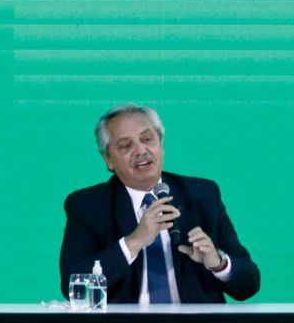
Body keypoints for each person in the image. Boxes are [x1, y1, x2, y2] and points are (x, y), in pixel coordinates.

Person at [59, 104, 260, 304]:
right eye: (125, 146)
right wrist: (133, 242)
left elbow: (249, 284)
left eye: (147, 139)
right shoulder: (87, 206)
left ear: (161, 145)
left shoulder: (202, 195)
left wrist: (218, 263)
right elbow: (74, 290)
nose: (140, 150)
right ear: (108, 159)